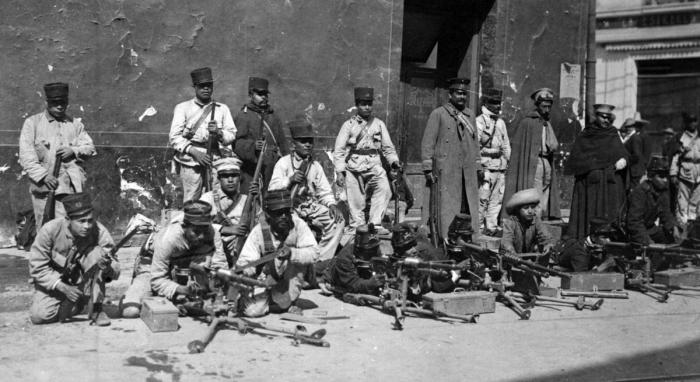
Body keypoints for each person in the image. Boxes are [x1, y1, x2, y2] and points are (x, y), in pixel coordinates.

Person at [28, 193, 118, 326]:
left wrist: (108, 269)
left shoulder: (99, 231)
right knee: (39, 316)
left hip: (83, 279)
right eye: (81, 221)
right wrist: (64, 288)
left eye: (89, 220)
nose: (87, 226)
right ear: (68, 220)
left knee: (98, 255)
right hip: (56, 282)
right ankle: (78, 304)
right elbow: (37, 266)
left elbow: (115, 268)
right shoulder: (49, 231)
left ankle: (97, 308)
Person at [269, 119, 344, 267]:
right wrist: (289, 180)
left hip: (310, 206)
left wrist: (331, 205)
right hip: (290, 207)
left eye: (310, 141)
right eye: (303, 141)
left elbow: (324, 191)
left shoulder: (315, 165)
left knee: (338, 221)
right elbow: (272, 189)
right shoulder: (283, 163)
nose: (308, 145)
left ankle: (319, 260)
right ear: (293, 144)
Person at [19, 82, 96, 227]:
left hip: (72, 187)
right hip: (45, 187)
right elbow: (26, 155)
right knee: (47, 228)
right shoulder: (32, 123)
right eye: (55, 103)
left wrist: (74, 151)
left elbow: (90, 147)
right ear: (47, 102)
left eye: (63, 103)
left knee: (71, 227)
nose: (60, 106)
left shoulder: (75, 124)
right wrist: (43, 176)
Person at [234, 189, 320, 317]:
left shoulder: (298, 225)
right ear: (268, 215)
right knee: (253, 311)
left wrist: (292, 253)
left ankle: (291, 302)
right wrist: (244, 271)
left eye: (286, 212)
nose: (284, 217)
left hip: (289, 274)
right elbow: (247, 260)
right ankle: (269, 300)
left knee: (300, 260)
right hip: (265, 278)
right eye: (278, 213)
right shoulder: (259, 231)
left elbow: (314, 253)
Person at [333, 87, 400, 235]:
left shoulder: (379, 124)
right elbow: (339, 150)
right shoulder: (348, 125)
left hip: (374, 166)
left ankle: (375, 224)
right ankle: (358, 228)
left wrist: (394, 162)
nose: (367, 107)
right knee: (356, 203)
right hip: (353, 169)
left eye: (369, 104)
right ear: (357, 105)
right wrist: (340, 171)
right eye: (363, 104)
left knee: (384, 189)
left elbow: (388, 148)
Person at [421, 78, 481, 238]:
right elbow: (428, 142)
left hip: (466, 170)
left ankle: (467, 235)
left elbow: (475, 143)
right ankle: (446, 236)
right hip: (445, 170)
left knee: (466, 203)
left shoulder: (470, 115)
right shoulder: (439, 114)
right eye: (458, 93)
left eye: (464, 94)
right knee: (446, 205)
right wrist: (427, 166)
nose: (462, 97)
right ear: (450, 95)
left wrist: (478, 165)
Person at [169, 67, 237, 202]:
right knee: (192, 199)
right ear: (195, 87)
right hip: (190, 159)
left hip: (215, 159)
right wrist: (195, 153)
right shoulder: (183, 108)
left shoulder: (222, 109)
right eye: (202, 86)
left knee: (217, 198)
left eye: (209, 85)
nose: (206, 89)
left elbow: (232, 134)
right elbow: (174, 137)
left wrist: (218, 133)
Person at [566, 104, 629, 239]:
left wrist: (622, 160)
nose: (606, 120)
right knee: (589, 212)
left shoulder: (613, 134)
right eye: (603, 117)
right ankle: (585, 238)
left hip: (609, 183)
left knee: (608, 213)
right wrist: (591, 166)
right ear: (596, 116)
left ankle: (606, 239)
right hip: (590, 184)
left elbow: (622, 153)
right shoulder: (587, 134)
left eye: (608, 118)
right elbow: (577, 158)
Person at [149, 200, 228, 305]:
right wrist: (184, 290)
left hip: (182, 270)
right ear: (184, 226)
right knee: (132, 311)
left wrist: (217, 280)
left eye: (205, 230)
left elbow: (220, 263)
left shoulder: (213, 232)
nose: (202, 236)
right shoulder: (169, 239)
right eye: (196, 232)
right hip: (150, 265)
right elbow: (157, 279)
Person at [503, 88, 561, 220]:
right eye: (544, 106)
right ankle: (536, 220)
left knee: (546, 188)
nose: (546, 109)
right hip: (534, 163)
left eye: (549, 106)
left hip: (547, 161)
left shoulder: (547, 123)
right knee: (536, 191)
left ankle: (543, 218)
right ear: (537, 105)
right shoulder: (528, 122)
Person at [233, 77, 289, 194]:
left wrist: (288, 162)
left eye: (265, 94)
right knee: (251, 198)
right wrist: (253, 146)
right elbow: (237, 143)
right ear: (250, 95)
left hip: (272, 165)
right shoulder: (243, 115)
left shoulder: (273, 116)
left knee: (271, 196)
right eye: (259, 94)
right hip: (251, 167)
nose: (263, 97)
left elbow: (282, 142)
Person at [200, 157, 255, 265]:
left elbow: (257, 226)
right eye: (225, 176)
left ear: (239, 178)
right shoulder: (207, 199)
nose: (230, 180)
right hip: (213, 250)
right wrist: (226, 229)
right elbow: (198, 224)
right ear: (219, 178)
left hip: (241, 250)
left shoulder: (247, 200)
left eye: (234, 176)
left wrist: (243, 237)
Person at [476, 89, 511, 235]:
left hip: (499, 169)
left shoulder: (501, 123)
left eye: (499, 103)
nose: (498, 106)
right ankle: (478, 229)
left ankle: (491, 227)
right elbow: (475, 147)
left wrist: (505, 161)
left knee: (496, 201)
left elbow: (506, 144)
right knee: (482, 200)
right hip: (486, 169)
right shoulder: (479, 121)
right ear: (486, 103)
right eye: (494, 103)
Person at [390, 222, 455, 294]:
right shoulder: (400, 255)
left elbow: (441, 274)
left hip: (432, 287)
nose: (410, 251)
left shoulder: (423, 251)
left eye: (409, 248)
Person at [627, 156, 676, 245]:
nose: (665, 180)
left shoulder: (662, 191)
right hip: (634, 231)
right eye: (661, 177)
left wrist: (674, 229)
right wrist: (649, 243)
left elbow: (666, 215)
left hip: (650, 229)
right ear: (650, 176)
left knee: (672, 241)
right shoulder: (640, 192)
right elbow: (634, 222)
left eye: (666, 176)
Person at [326, 224, 384, 296]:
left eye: (375, 248)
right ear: (359, 249)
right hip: (330, 271)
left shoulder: (374, 249)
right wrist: (369, 284)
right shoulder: (345, 257)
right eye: (369, 250)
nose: (373, 252)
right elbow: (352, 284)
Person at [500, 188, 555, 256]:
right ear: (518, 210)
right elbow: (507, 240)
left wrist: (548, 244)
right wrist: (510, 250)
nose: (530, 211)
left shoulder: (536, 220)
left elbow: (545, 235)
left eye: (532, 207)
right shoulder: (510, 222)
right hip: (513, 258)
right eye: (526, 208)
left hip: (529, 257)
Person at [670, 113, 700, 224]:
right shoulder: (681, 138)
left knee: (695, 202)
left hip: (699, 174)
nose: (693, 124)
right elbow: (675, 157)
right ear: (686, 123)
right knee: (682, 202)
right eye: (690, 121)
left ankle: (692, 226)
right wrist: (673, 174)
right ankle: (682, 226)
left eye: (695, 121)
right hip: (685, 174)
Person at [619, 114, 650, 188]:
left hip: (635, 170)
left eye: (631, 126)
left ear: (634, 127)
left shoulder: (635, 138)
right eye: (627, 126)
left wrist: (626, 161)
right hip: (634, 170)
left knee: (634, 191)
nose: (628, 128)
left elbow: (636, 155)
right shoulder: (632, 137)